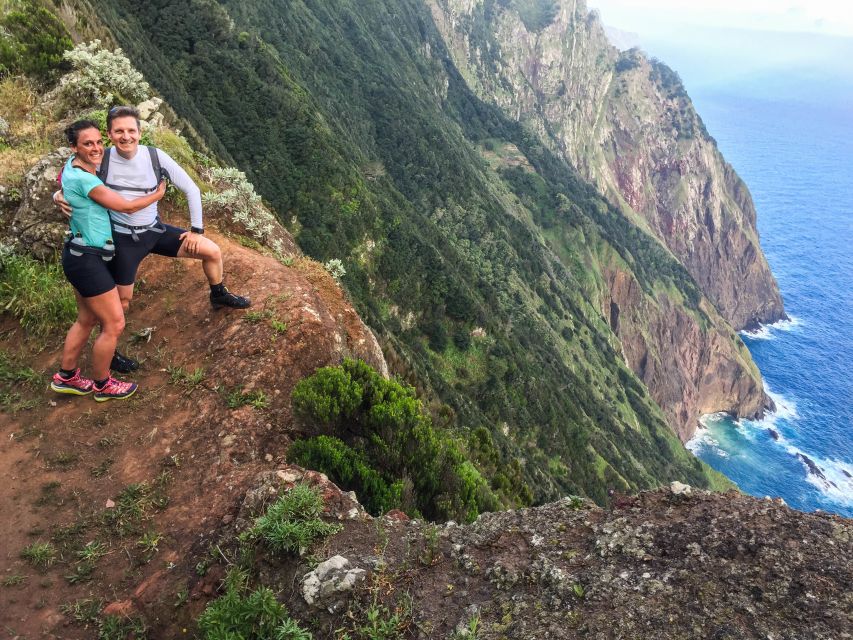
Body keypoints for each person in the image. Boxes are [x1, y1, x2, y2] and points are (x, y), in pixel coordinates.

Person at [55, 105, 250, 373]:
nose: (126, 136)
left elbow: (191, 188)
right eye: (119, 131)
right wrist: (59, 195)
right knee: (122, 302)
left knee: (211, 251)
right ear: (110, 134)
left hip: (154, 231)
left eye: (131, 130)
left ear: (140, 131)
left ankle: (218, 295)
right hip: (124, 240)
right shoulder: (104, 160)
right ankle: (111, 352)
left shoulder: (155, 157)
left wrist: (196, 230)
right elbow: (73, 176)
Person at [51, 120, 166, 401]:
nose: (96, 148)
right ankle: (103, 384)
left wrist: (59, 193)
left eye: (98, 142)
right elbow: (125, 206)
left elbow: (62, 181)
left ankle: (66, 377)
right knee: (114, 323)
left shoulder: (71, 167)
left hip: (78, 253)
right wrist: (158, 194)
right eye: (87, 144)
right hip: (88, 259)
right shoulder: (86, 179)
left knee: (87, 319)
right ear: (74, 147)